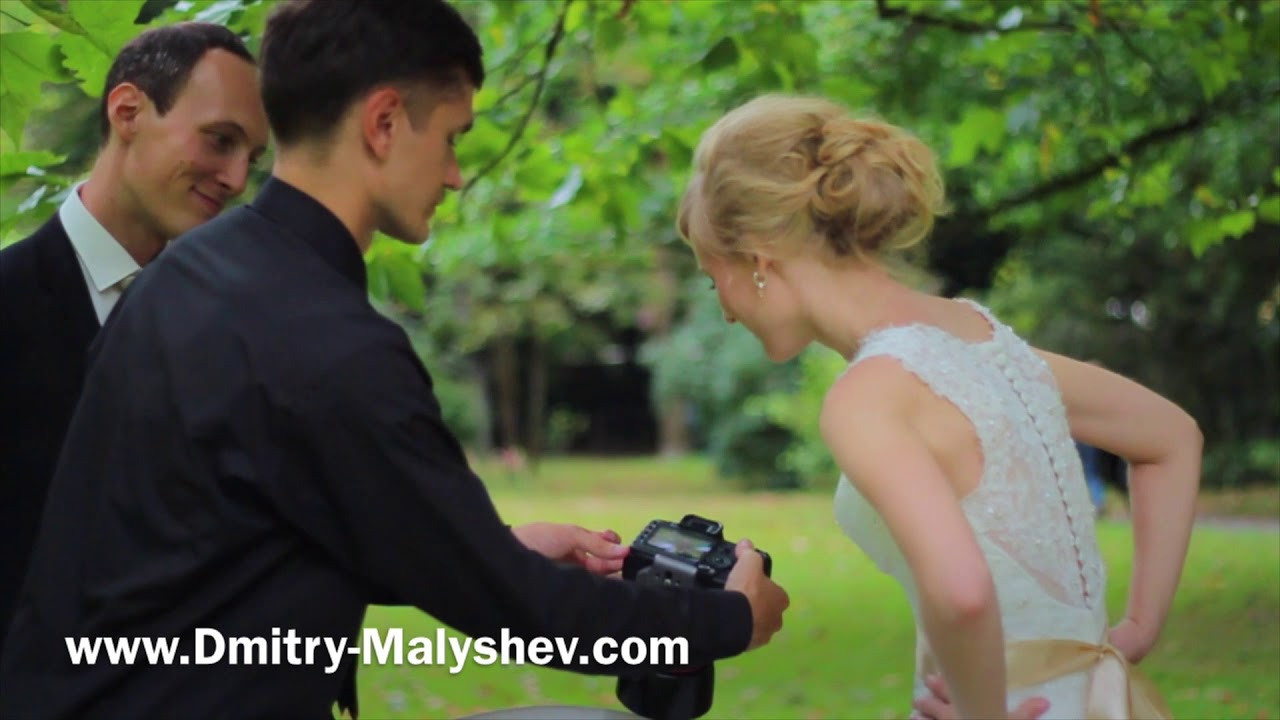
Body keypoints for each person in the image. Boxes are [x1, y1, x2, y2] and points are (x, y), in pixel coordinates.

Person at [0, 2, 788, 718]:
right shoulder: (328, 343)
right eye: (450, 139)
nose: (453, 175)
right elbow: (521, 614)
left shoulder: (188, 277)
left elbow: (246, 535)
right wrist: (726, 618)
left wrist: (495, 545)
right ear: (383, 123)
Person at [675, 94, 1201, 720]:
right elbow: (1171, 436)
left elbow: (964, 591)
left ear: (757, 261)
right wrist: (1137, 627)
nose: (726, 309)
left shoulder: (867, 396)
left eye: (715, 279)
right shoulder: (982, 341)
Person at [0, 21, 269, 660]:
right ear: (127, 112)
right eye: (220, 141)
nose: (234, 178)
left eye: (250, 158)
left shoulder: (234, 329)